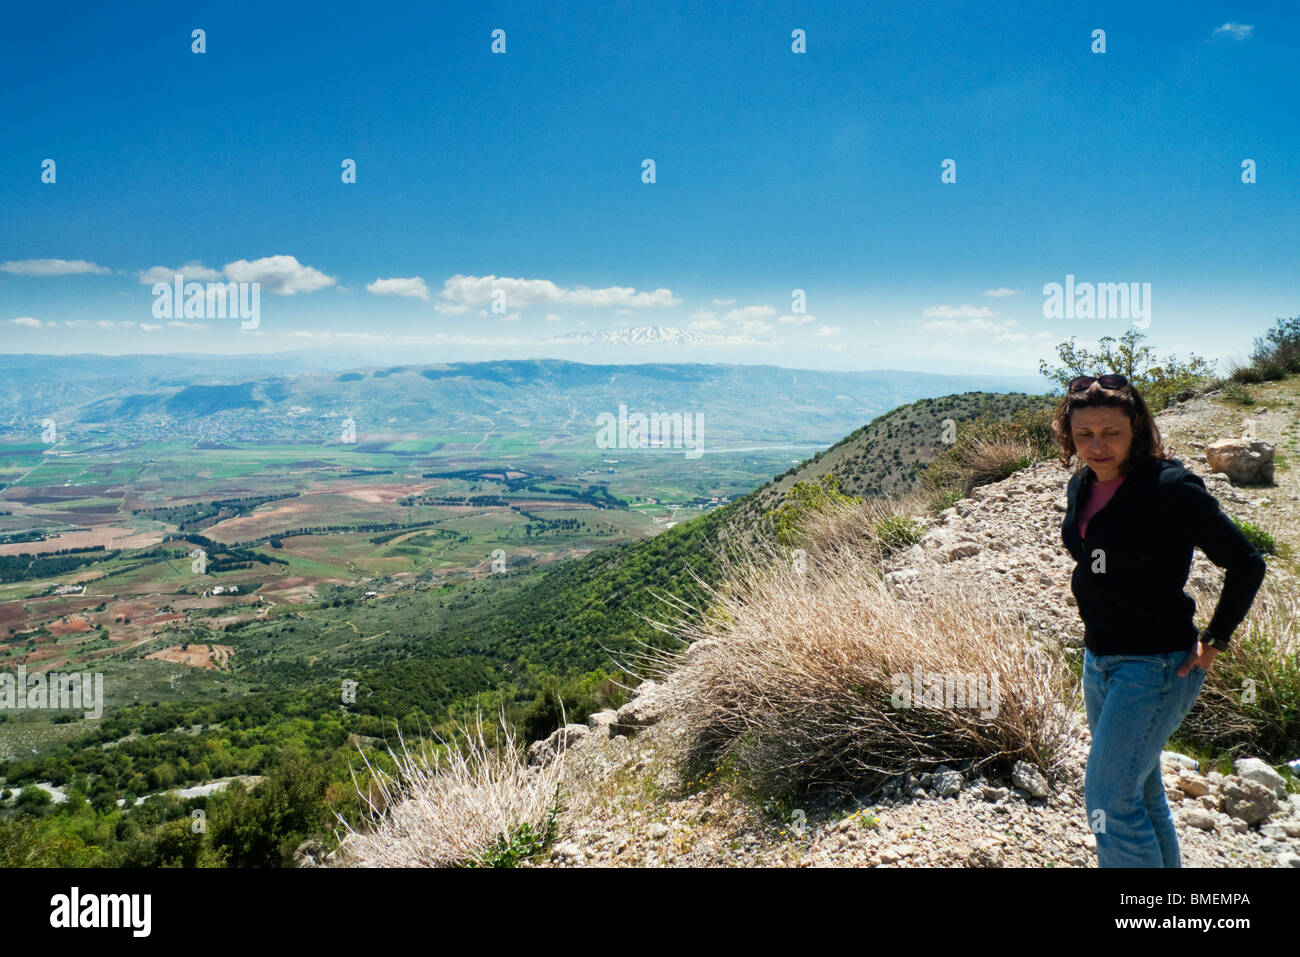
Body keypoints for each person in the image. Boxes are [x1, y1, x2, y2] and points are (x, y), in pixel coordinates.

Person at [1054, 373, 1267, 867]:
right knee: (1141, 791)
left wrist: (1215, 639)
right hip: (1099, 660)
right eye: (1084, 434)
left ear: (1137, 428)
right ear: (1069, 433)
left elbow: (1246, 563)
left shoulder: (1171, 487)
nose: (1097, 445)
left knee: (1108, 798)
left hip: (1154, 666)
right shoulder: (1082, 483)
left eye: (1111, 433)